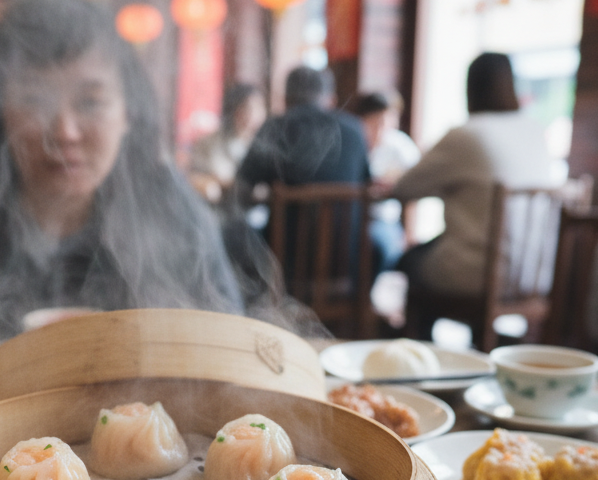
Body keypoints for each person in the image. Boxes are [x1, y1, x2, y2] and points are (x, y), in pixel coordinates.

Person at [0, 0, 241, 349]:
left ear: (128, 113)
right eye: (35, 100)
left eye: (90, 102)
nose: (65, 131)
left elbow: (230, 346)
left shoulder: (167, 205)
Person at [390, 52, 557, 297]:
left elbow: (402, 189)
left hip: (481, 275)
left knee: (409, 260)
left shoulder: (467, 134)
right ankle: (482, 334)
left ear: (471, 88)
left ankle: (416, 334)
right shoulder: (536, 131)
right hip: (537, 275)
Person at [237, 66, 370, 192]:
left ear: (286, 100)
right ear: (330, 100)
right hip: (348, 217)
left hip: (287, 217)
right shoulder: (354, 128)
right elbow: (367, 182)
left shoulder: (274, 127)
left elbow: (244, 184)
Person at [352, 90, 420, 271]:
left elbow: (416, 189)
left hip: (383, 221)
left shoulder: (400, 147)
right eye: (375, 122)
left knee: (379, 248)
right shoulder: (353, 144)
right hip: (352, 218)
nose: (381, 128)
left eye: (386, 121)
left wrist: (409, 233)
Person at [188, 83, 265, 206]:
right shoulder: (209, 143)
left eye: (260, 108)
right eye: (248, 108)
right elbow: (195, 177)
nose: (257, 114)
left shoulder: (263, 146)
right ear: (234, 110)